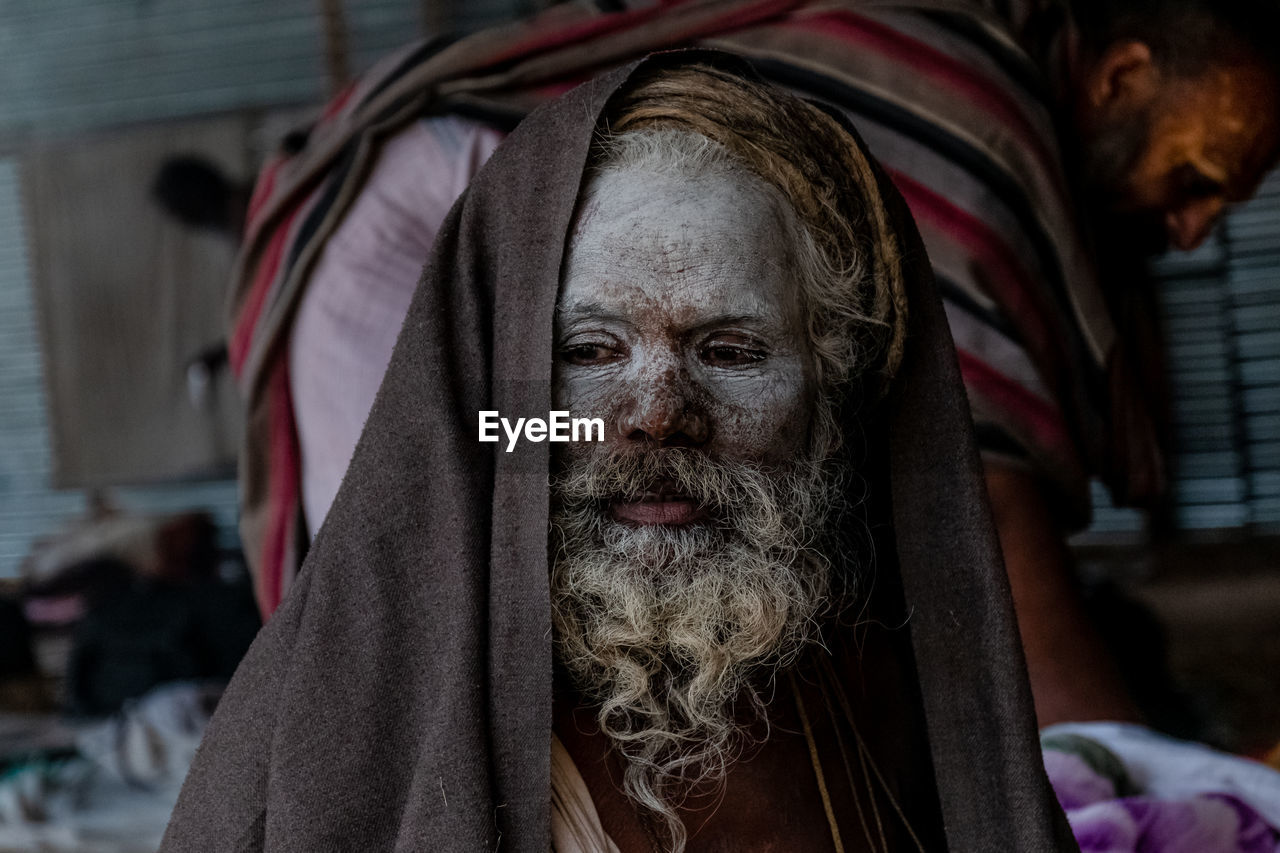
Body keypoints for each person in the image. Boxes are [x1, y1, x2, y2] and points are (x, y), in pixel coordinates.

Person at [225, 0, 1280, 726]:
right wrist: (1115, 765)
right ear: (1121, 75)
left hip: (592, 283)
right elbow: (989, 501)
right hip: (439, 221)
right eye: (1195, 177)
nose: (1190, 231)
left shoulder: (978, 74)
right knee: (417, 596)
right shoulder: (982, 129)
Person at [161, 55, 1077, 852]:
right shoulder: (346, 732)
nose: (658, 414)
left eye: (732, 352)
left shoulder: (893, 688)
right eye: (591, 350)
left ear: (828, 396)